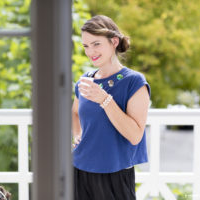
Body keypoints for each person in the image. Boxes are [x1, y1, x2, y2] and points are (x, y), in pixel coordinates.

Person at [72, 15, 151, 200]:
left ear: (114, 41)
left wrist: (105, 100)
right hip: (78, 170)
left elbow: (135, 135)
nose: (90, 51)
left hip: (115, 175)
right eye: (86, 46)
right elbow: (75, 112)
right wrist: (77, 135)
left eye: (96, 44)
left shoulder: (134, 82)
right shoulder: (86, 80)